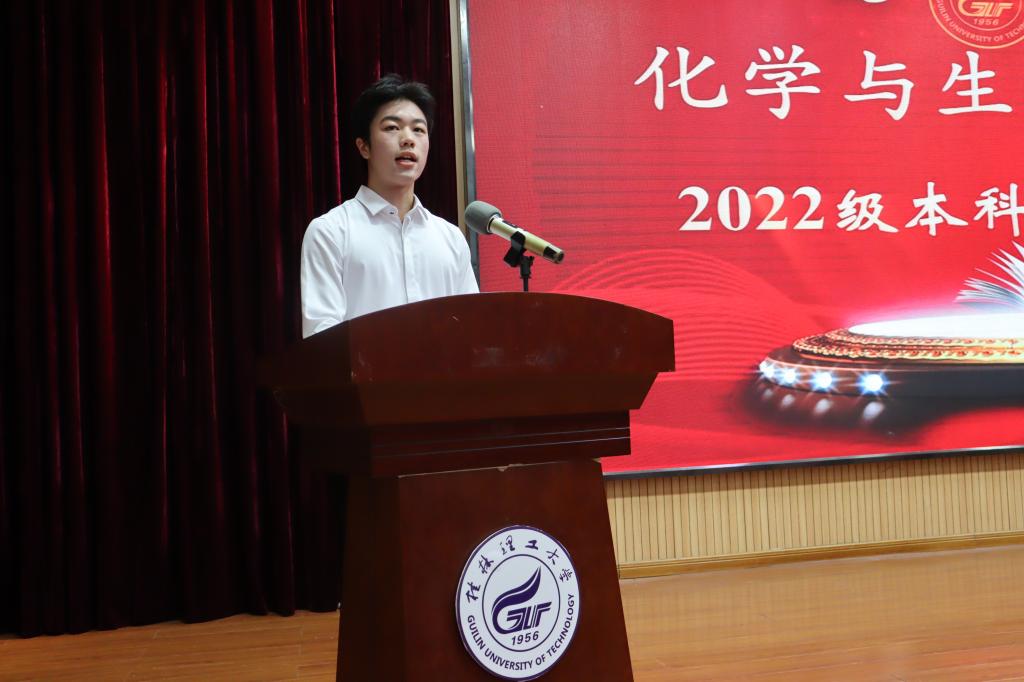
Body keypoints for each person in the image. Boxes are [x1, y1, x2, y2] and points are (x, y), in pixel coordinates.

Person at [300, 74, 479, 338]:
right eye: (392, 128)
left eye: (418, 130)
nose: (408, 139)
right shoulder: (331, 232)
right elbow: (322, 338)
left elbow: (471, 330)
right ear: (364, 147)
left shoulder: (450, 238)